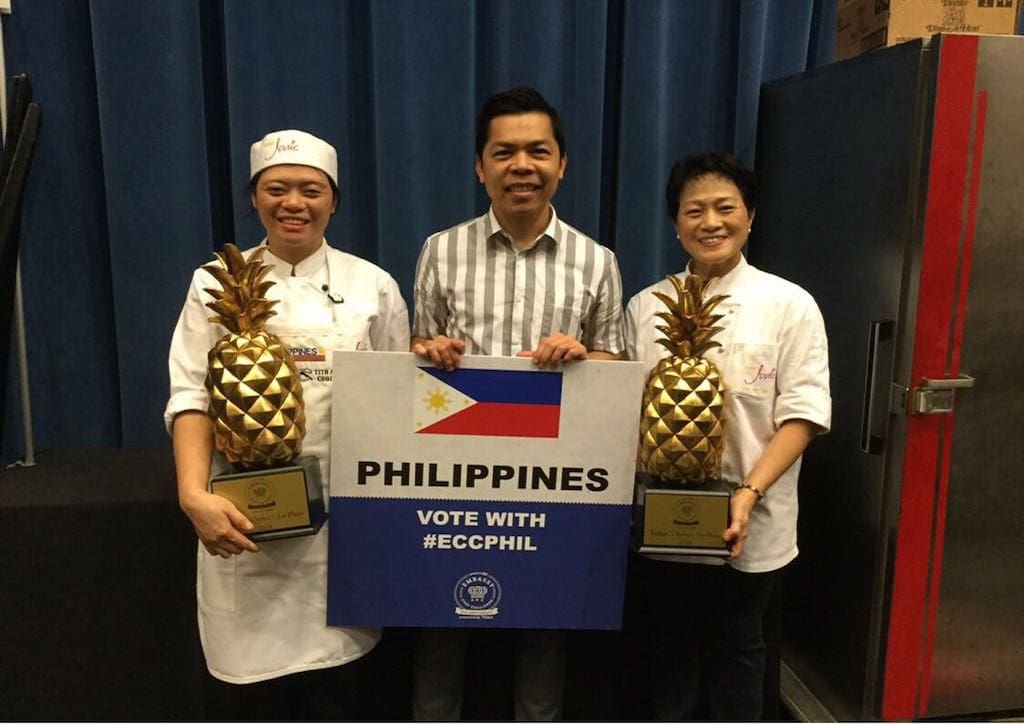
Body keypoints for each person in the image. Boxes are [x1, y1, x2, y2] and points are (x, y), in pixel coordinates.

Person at [165, 129, 410, 719]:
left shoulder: (373, 286)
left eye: (311, 189)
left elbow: (398, 403)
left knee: (341, 689)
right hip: (243, 521)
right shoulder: (213, 284)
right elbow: (190, 394)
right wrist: (192, 495)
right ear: (254, 198)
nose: (293, 202)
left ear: (334, 201)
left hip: (341, 534)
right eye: (276, 188)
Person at [410, 86, 626, 721]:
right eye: (504, 152)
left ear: (562, 164)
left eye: (538, 151)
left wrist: (587, 356)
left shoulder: (597, 261)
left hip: (552, 481)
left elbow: (618, 362)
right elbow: (412, 357)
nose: (521, 165)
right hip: (452, 481)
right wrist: (431, 349)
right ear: (481, 166)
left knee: (544, 631)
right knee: (440, 627)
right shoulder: (439, 250)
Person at [624, 152, 831, 720]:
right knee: (669, 646)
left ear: (750, 216)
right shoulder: (646, 307)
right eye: (695, 210)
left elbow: (805, 414)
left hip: (751, 515)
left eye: (725, 208)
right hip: (664, 514)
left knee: (740, 649)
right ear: (675, 223)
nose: (710, 222)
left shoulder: (789, 305)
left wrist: (749, 492)